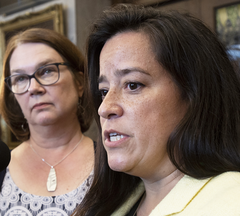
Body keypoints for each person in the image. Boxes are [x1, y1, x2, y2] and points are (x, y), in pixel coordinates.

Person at [73, 4, 240, 216]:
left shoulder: (231, 202)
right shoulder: (108, 205)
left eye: (132, 85)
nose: (105, 108)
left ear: (194, 95)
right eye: (104, 91)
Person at [0, 28, 95, 216]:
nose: (34, 88)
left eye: (47, 71)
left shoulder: (115, 165)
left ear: (80, 82)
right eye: (20, 78)